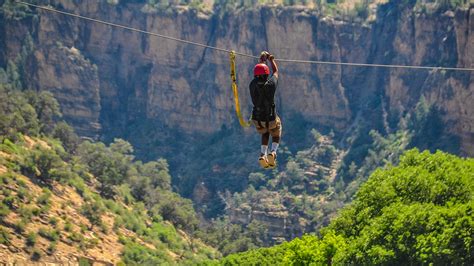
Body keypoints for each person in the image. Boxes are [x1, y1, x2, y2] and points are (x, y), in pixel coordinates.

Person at [249, 51, 282, 169]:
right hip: (271, 118)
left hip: (257, 119)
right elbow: (276, 72)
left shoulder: (252, 85)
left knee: (265, 132)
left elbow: (259, 71)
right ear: (266, 74)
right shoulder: (271, 85)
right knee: (276, 132)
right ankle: (273, 152)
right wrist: (271, 60)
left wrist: (262, 60)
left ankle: (263, 154)